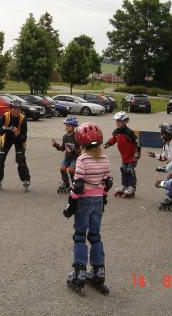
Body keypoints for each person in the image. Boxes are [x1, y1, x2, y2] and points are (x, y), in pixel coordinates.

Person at [63, 122, 112, 295]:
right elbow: (108, 182)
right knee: (95, 236)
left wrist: (70, 205)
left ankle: (79, 275)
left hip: (84, 201)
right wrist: (103, 198)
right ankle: (99, 273)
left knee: (79, 237)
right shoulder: (105, 159)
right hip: (98, 201)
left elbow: (78, 186)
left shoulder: (82, 160)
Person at [0, 99, 31, 192]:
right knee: (0, 158)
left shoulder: (22, 118)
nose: (17, 110)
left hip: (18, 140)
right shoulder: (5, 116)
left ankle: (26, 180)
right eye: (14, 108)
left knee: (20, 158)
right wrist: (7, 130)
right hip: (6, 139)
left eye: (19, 109)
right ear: (11, 109)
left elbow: (24, 136)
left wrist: (18, 135)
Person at [103, 111, 141, 198]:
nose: (117, 123)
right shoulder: (116, 131)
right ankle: (124, 186)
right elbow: (113, 139)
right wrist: (108, 144)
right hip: (124, 157)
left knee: (129, 170)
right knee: (123, 169)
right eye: (116, 121)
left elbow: (138, 142)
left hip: (132, 156)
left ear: (124, 122)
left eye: (119, 121)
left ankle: (132, 187)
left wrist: (137, 153)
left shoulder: (129, 132)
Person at [52, 116, 80, 194]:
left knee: (71, 170)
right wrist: (55, 145)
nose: (67, 127)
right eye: (66, 125)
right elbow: (62, 148)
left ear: (74, 127)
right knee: (62, 169)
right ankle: (66, 184)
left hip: (75, 158)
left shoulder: (76, 137)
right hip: (67, 158)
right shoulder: (65, 136)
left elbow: (80, 150)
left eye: (69, 126)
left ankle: (75, 184)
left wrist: (73, 150)